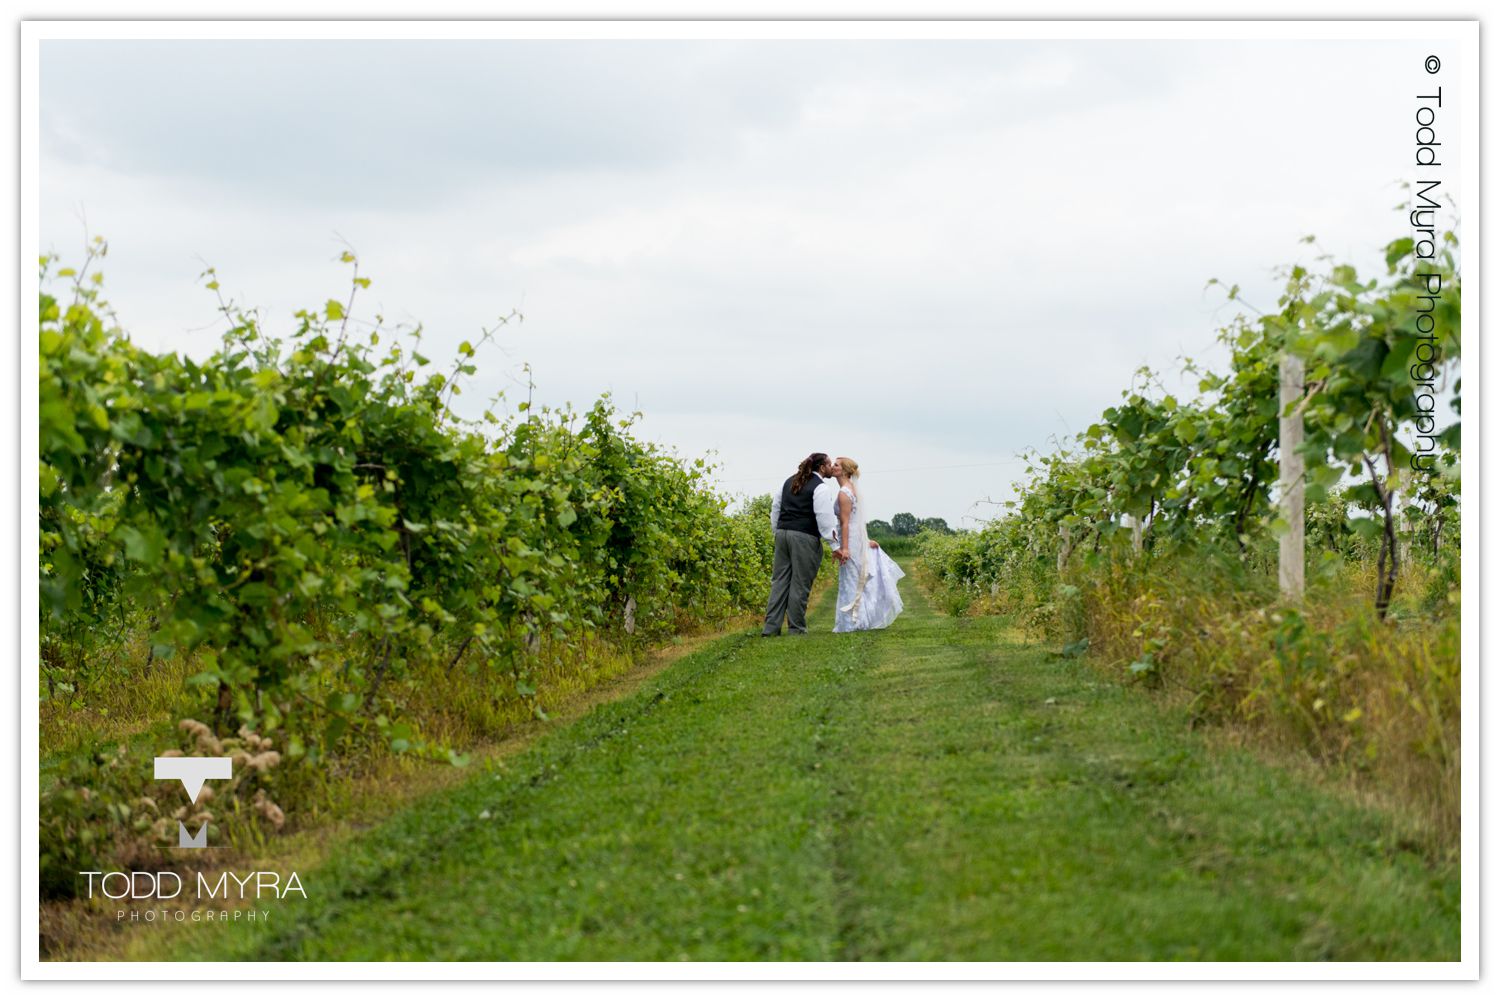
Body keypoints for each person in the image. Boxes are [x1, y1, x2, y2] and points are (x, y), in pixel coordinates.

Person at [762, 452, 841, 636]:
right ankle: (796, 628)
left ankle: (770, 628)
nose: (831, 468)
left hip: (782, 534)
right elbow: (824, 518)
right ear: (822, 467)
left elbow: (776, 508)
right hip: (804, 536)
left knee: (779, 581)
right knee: (800, 582)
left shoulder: (788, 482)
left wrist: (778, 531)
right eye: (829, 464)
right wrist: (834, 546)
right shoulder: (820, 488)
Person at [829, 456, 905, 633]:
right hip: (856, 537)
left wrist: (845, 548)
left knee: (850, 579)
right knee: (854, 579)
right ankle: (857, 619)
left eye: (836, 465)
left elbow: (846, 522)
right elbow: (858, 520)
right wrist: (865, 540)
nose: (832, 467)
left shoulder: (844, 493)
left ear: (845, 471)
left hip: (850, 539)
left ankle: (851, 623)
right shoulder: (851, 490)